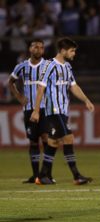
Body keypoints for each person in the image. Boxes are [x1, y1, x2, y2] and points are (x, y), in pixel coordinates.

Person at [30, 37, 94, 185]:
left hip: (63, 110)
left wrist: (86, 100)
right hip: (53, 109)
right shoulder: (49, 65)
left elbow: (74, 86)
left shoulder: (67, 67)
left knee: (53, 142)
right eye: (72, 51)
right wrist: (36, 110)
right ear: (63, 51)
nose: (74, 54)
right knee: (68, 138)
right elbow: (41, 87)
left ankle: (42, 175)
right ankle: (77, 175)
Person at [8, 39, 48, 183]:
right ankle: (36, 175)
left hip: (45, 108)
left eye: (41, 47)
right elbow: (10, 82)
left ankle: (46, 173)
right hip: (28, 109)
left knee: (47, 139)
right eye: (35, 47)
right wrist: (18, 96)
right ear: (30, 49)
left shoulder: (48, 66)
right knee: (33, 142)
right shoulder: (22, 66)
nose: (38, 49)